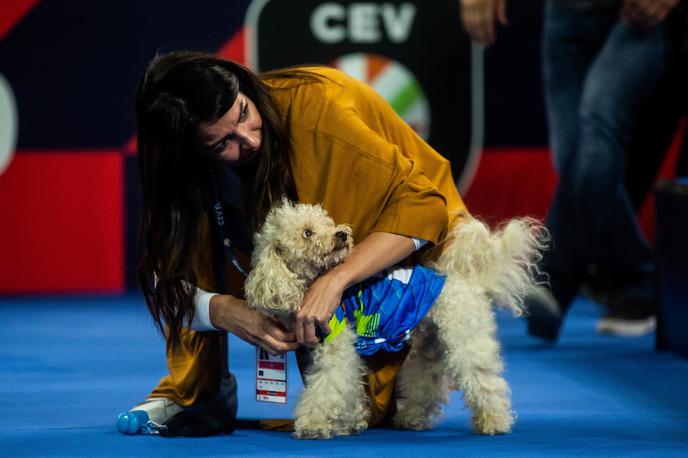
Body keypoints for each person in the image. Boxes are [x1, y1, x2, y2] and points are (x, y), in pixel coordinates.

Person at [128, 51, 468, 431]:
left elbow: (425, 208)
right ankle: (195, 390)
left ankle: (408, 361)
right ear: (190, 151)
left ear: (245, 87)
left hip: (416, 237)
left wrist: (335, 280)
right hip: (324, 235)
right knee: (193, 236)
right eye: (222, 142)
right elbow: (166, 283)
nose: (249, 139)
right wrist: (222, 310)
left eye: (244, 113)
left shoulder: (319, 114)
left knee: (360, 405)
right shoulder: (179, 171)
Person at [459, 0, 680, 340]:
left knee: (599, 122)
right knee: (570, 154)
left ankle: (551, 279)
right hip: (565, 12)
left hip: (635, 15)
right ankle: (637, 278)